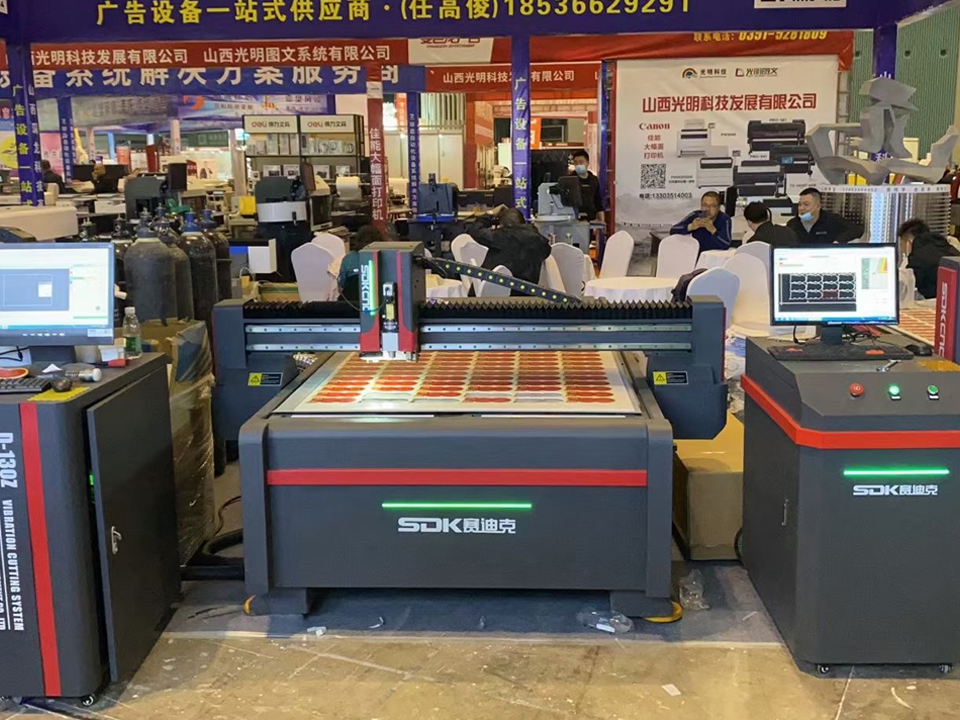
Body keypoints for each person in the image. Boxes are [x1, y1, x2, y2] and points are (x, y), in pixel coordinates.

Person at [470, 207, 551, 285]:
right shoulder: (539, 240)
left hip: (494, 288)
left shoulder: (501, 236)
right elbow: (546, 252)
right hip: (526, 291)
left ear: (502, 225)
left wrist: (490, 215)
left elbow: (475, 230)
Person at [898, 218, 960, 299]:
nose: (902, 251)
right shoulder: (946, 247)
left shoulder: (917, 260)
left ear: (909, 242)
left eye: (901, 244)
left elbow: (905, 289)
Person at [787, 188, 862, 244]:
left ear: (818, 206)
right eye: (799, 204)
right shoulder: (793, 224)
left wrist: (839, 240)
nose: (801, 208)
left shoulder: (831, 220)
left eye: (806, 204)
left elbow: (857, 230)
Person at [569, 150, 604, 223]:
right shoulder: (569, 179)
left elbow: (598, 201)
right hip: (574, 220)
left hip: (591, 219)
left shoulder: (594, 180)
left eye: (581, 162)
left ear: (587, 162)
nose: (578, 165)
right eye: (576, 163)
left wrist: (602, 221)